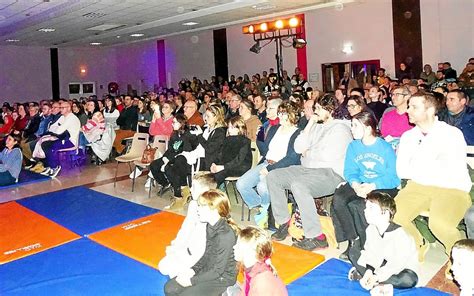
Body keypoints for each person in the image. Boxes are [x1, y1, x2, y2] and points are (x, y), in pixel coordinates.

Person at [394, 92, 472, 264]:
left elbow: (452, 170)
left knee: (439, 224)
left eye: (414, 107)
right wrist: (432, 163)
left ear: (429, 110)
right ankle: (417, 243)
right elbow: (402, 170)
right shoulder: (408, 137)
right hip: (418, 186)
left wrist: (419, 166)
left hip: (452, 187)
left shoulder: (451, 134)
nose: (408, 110)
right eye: (409, 106)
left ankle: (461, 260)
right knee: (393, 216)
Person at [268, 94, 352, 251]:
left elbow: (327, 157)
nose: (315, 112)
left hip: (330, 174)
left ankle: (317, 236)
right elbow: (298, 148)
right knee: (274, 176)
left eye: (319, 109)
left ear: (330, 109)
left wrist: (309, 151)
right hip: (308, 169)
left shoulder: (341, 129)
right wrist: (310, 124)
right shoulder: (316, 125)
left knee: (299, 185)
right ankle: (285, 222)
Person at [331, 112, 400, 260]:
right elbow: (350, 170)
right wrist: (355, 185)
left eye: (355, 126)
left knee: (359, 205)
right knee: (339, 199)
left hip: (382, 185)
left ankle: (368, 245)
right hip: (361, 183)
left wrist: (372, 186)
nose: (352, 129)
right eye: (352, 125)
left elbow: (393, 177)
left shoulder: (385, 148)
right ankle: (353, 240)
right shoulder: (353, 146)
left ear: (368, 129)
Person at [236, 101, 301, 228]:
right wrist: (260, 136)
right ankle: (263, 205)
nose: (279, 116)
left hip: (281, 167)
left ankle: (267, 209)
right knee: (241, 184)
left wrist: (270, 169)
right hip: (267, 162)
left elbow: (292, 158)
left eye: (282, 114)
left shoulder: (297, 132)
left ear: (291, 115)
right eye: (279, 114)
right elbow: (265, 149)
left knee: (262, 187)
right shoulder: (274, 128)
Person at [164, 190, 238, 296]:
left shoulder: (225, 235)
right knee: (170, 288)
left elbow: (218, 271)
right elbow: (206, 254)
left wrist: (192, 281)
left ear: (214, 210)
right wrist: (193, 270)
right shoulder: (210, 226)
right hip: (209, 270)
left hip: (223, 278)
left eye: (201, 206)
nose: (197, 209)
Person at [348, 192, 418, 292]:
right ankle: (373, 280)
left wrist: (376, 277)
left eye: (371, 208)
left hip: (401, 268)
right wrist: (369, 271)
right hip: (382, 263)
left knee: (409, 280)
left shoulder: (400, 235)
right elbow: (372, 253)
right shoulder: (371, 229)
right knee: (353, 252)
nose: (365, 210)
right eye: (366, 207)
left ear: (385, 213)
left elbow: (396, 264)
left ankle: (370, 279)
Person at [159, 172, 217, 278]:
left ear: (204, 190)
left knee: (177, 274)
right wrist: (176, 246)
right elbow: (186, 228)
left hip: (202, 255)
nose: (190, 189)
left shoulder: (213, 209)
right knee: (163, 267)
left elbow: (206, 246)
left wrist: (184, 255)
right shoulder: (193, 204)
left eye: (194, 187)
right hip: (189, 250)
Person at [148, 114, 198, 208]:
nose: (172, 124)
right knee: (154, 165)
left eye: (174, 122)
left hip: (182, 160)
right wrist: (165, 157)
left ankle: (178, 193)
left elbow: (184, 152)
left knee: (169, 168)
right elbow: (170, 149)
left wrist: (169, 160)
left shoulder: (188, 135)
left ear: (181, 123)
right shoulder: (174, 134)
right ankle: (166, 184)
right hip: (171, 156)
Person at [232, 226, 288, 296]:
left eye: (238, 245)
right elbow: (245, 290)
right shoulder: (251, 267)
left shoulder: (261, 280)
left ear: (251, 251)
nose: (234, 247)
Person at [210, 116, 252, 186]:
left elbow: (239, 160)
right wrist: (214, 163)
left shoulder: (244, 141)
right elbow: (220, 154)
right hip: (228, 164)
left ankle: (211, 192)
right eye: (229, 127)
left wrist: (223, 167)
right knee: (211, 173)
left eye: (232, 127)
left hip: (241, 166)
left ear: (239, 129)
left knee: (220, 174)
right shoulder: (227, 140)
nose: (229, 130)